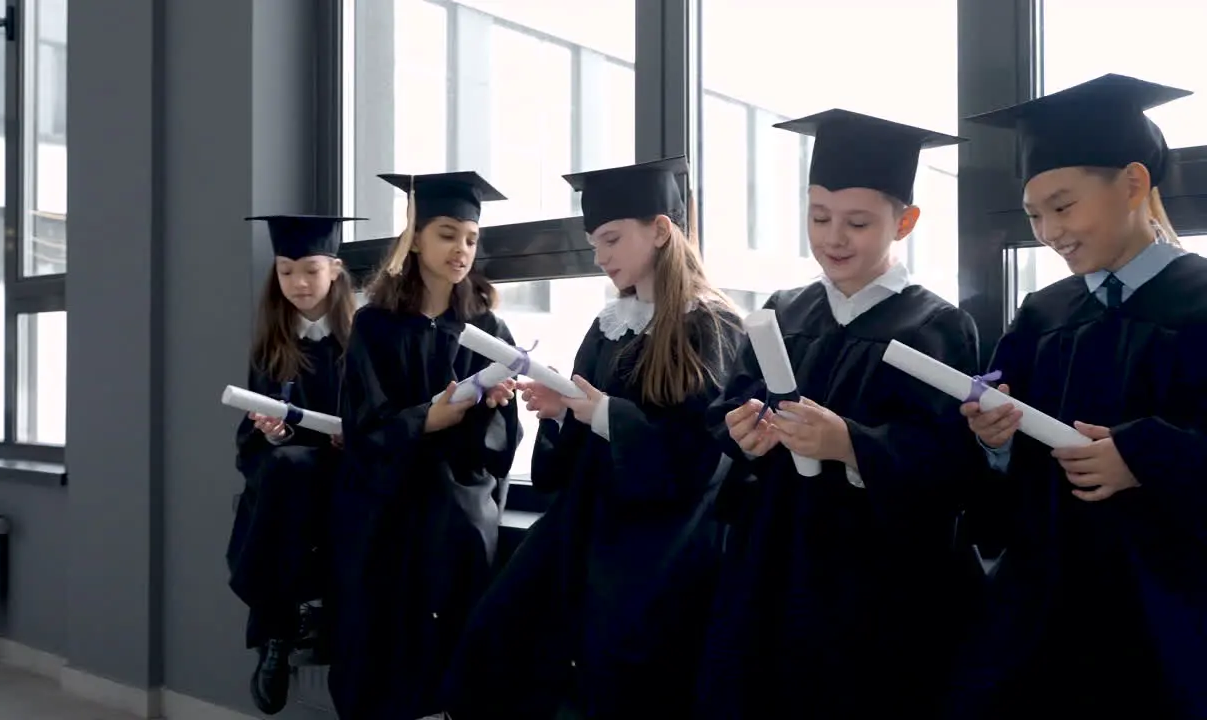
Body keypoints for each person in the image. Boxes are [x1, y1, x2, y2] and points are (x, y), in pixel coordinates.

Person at [698, 109, 983, 718]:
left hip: (873, 574)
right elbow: (728, 406)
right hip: (773, 554)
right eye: (818, 217)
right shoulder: (784, 311)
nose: (833, 238)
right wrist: (743, 433)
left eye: (858, 222)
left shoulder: (936, 327)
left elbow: (951, 460)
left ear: (904, 222)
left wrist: (852, 444)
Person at [443, 157, 744, 720]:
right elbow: (571, 455)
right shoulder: (609, 326)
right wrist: (561, 416)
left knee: (617, 662)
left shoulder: (712, 324)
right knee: (498, 633)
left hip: (664, 537)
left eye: (611, 239)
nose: (600, 257)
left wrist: (603, 413)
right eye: (593, 243)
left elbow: (701, 456)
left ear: (660, 230)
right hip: (589, 517)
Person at [950, 73, 1207, 719]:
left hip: (1167, 610)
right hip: (1048, 605)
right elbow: (999, 465)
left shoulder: (1202, 301)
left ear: (1133, 183)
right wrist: (995, 441)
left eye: (1063, 208)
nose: (1048, 232)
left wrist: (1144, 456)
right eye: (1035, 215)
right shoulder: (1042, 313)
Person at [328, 171, 524, 720]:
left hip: (457, 495)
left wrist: (495, 405)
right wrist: (426, 419)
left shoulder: (489, 329)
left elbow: (502, 448)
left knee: (455, 533)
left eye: (470, 238)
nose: (461, 249)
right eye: (446, 234)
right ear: (414, 235)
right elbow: (363, 426)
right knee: (380, 634)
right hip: (385, 499)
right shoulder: (374, 325)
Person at [229, 214, 361, 715]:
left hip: (351, 472)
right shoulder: (272, 343)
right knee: (280, 469)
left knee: (283, 475)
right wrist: (272, 429)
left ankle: (272, 632)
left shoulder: (361, 336)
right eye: (286, 271)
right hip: (294, 476)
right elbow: (249, 445)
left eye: (310, 270)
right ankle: (283, 628)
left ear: (335, 269)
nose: (298, 283)